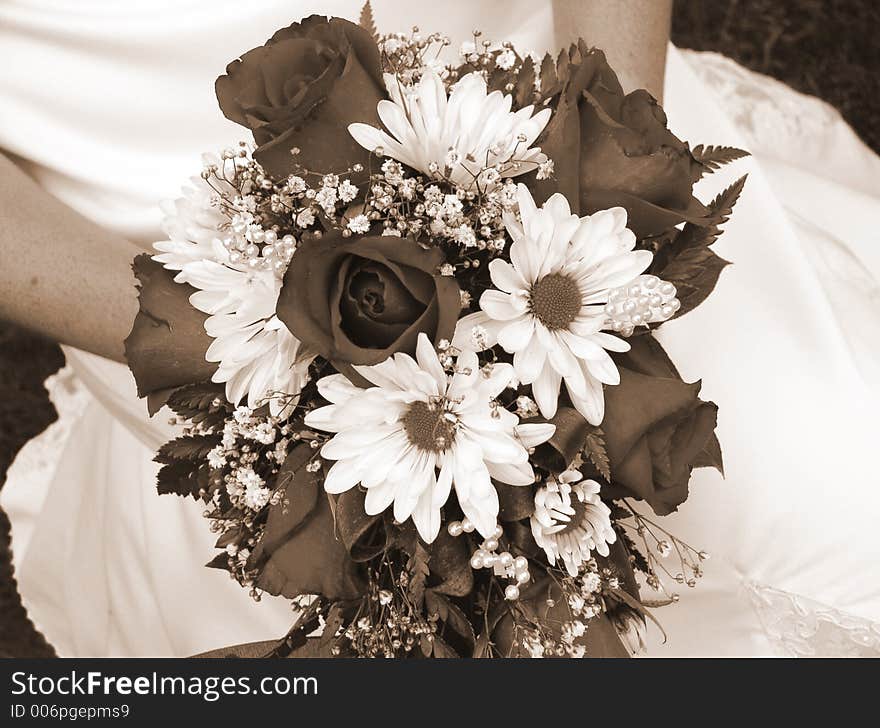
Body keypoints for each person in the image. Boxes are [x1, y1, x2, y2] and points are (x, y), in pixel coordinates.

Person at [1, 0, 878, 656]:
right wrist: (231, 337)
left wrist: (606, 153)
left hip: (534, 139)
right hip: (193, 288)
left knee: (832, 503)